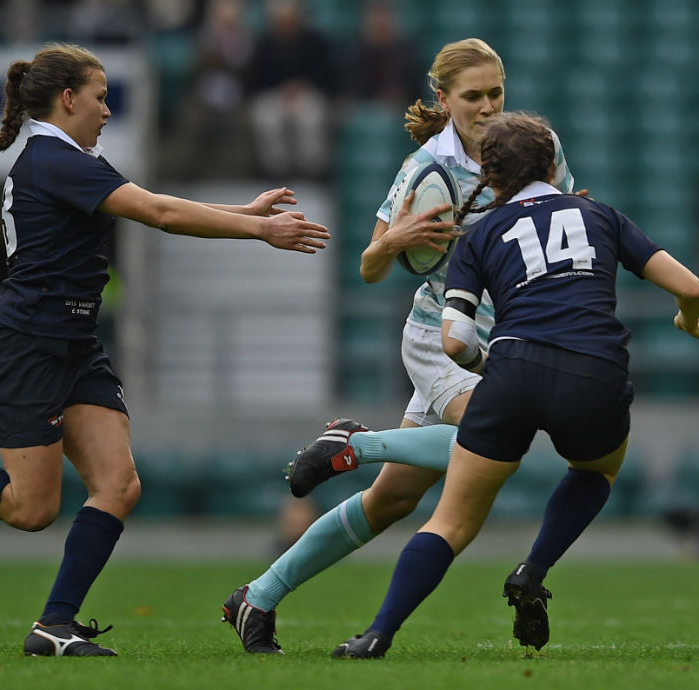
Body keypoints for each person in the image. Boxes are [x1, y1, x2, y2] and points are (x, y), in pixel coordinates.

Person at [0, 42, 329, 658]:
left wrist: (242, 211)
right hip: (27, 346)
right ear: (68, 99)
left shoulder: (68, 158)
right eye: (100, 98)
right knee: (31, 509)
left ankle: (54, 625)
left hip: (73, 345)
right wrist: (258, 229)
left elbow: (151, 203)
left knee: (119, 485)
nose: (106, 110)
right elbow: (157, 211)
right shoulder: (52, 156)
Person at [221, 37, 576, 654]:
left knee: (391, 500)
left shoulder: (532, 147)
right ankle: (355, 443)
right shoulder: (427, 168)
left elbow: (568, 211)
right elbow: (369, 266)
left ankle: (257, 596)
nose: (488, 106)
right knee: (499, 438)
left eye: (496, 92)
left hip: (503, 336)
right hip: (441, 337)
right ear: (444, 98)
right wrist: (394, 239)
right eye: (473, 96)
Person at [332, 111, 699, 658]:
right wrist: (687, 316)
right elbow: (690, 285)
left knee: (451, 520)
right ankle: (533, 569)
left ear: (490, 178)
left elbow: (455, 343)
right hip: (595, 372)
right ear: (552, 163)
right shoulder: (598, 214)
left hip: (512, 370)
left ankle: (377, 635)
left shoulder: (480, 234)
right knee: (597, 470)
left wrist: (501, 366)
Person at [242, 0, 335, 179]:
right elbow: (255, 79)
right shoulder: (265, 42)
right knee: (266, 117)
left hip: (307, 93)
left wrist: (301, 85)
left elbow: (325, 74)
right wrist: (280, 90)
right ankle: (276, 172)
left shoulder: (314, 40)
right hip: (274, 95)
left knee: (310, 117)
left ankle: (311, 173)